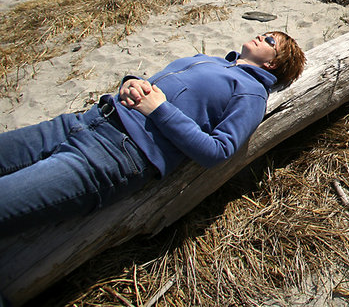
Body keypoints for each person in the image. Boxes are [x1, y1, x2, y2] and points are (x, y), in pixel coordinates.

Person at [0, 31, 305, 237]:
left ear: (272, 63)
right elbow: (157, 86)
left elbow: (218, 152)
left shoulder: (251, 93)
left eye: (269, 40)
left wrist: (159, 109)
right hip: (85, 120)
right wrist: (132, 81)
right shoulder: (212, 61)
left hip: (113, 156)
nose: (261, 34)